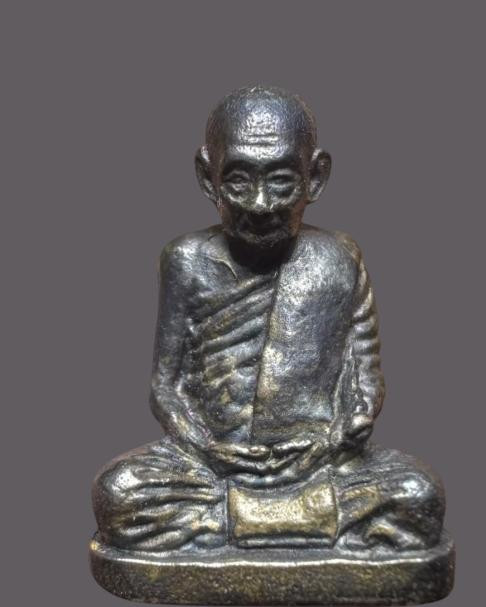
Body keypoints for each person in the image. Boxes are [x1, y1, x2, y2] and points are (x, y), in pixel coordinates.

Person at [93, 85, 444, 552]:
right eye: (239, 181)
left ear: (316, 177)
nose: (260, 205)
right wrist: (207, 449)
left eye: (281, 181)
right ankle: (303, 522)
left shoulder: (339, 258)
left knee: (418, 495)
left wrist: (343, 432)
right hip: (210, 467)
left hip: (319, 462)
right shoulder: (187, 260)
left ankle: (229, 523)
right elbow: (165, 388)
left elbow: (365, 374)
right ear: (207, 178)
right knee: (120, 493)